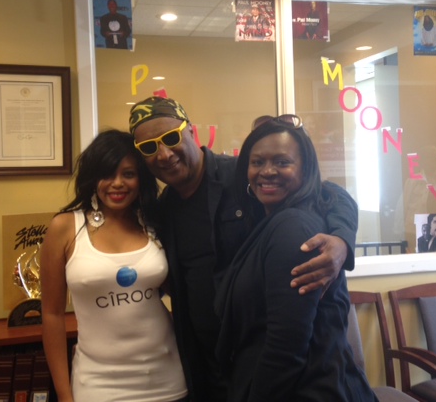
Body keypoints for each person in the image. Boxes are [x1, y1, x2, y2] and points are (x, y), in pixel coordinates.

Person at [129, 96, 358, 401]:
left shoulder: (244, 176)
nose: (164, 154)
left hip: (264, 364)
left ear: (190, 131)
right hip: (209, 365)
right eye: (148, 147)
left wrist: (342, 241)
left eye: (171, 138)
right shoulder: (164, 209)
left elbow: (327, 192)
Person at [214, 114, 376, 401]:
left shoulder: (292, 228)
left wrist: (343, 241)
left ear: (306, 169)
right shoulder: (266, 216)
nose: (267, 171)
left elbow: (285, 348)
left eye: (282, 162)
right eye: (257, 161)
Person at [40, 129, 187, 402]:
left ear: (140, 178)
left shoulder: (155, 222)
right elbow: (52, 315)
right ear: (93, 177)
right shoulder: (65, 228)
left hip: (166, 378)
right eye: (107, 174)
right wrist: (64, 394)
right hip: (97, 383)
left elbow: (183, 289)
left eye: (128, 174)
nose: (117, 183)